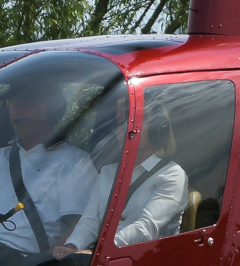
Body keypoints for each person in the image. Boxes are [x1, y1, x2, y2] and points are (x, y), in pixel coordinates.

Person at [0, 81, 98, 266]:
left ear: (52, 109)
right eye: (12, 103)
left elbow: (76, 229)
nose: (17, 109)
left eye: (28, 102)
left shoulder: (75, 161)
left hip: (18, 259)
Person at [60, 99, 189, 253]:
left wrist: (97, 251)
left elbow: (146, 228)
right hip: (102, 260)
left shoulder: (172, 175)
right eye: (119, 123)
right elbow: (90, 221)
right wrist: (71, 247)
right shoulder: (108, 173)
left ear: (157, 129)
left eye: (130, 120)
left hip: (143, 264)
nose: (121, 129)